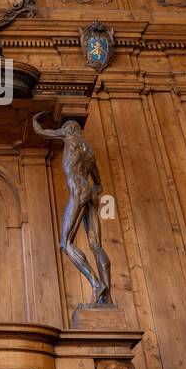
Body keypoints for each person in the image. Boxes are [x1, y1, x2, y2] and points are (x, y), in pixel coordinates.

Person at [32, 112, 113, 306]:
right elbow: (99, 184)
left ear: (70, 129)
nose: (66, 130)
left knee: (65, 243)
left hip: (78, 188)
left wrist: (36, 116)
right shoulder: (89, 150)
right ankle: (107, 300)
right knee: (96, 244)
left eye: (67, 127)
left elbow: (40, 130)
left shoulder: (68, 136)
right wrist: (92, 187)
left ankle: (96, 284)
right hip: (91, 193)